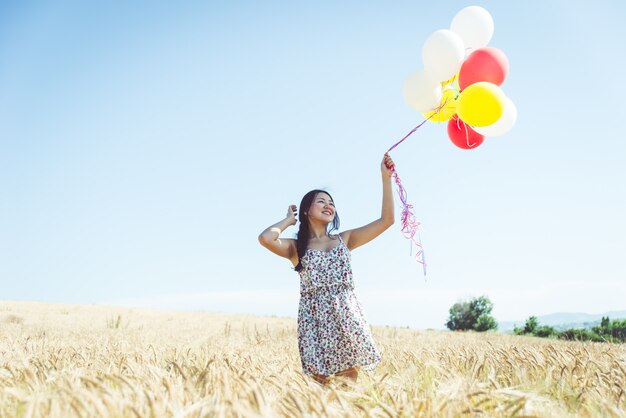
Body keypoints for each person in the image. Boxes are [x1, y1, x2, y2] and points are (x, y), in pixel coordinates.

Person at [258, 153, 396, 384]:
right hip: (315, 322)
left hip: (346, 315)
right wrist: (287, 221)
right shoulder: (296, 248)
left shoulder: (346, 239)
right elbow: (265, 238)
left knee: (348, 385)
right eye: (321, 201)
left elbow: (387, 221)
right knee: (321, 387)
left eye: (331, 202)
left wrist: (385, 179)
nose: (328, 205)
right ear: (306, 210)